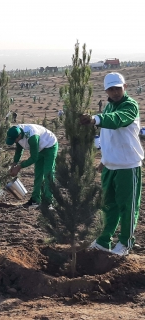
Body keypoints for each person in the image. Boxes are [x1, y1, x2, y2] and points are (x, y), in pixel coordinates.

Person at [80, 72, 144, 256]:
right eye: (111, 89)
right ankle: (103, 240)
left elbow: (117, 121)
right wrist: (104, 160)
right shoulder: (108, 108)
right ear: (106, 90)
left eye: (118, 88)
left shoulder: (130, 106)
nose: (115, 92)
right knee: (108, 206)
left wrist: (95, 119)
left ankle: (125, 243)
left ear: (125, 87)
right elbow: (109, 138)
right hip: (110, 166)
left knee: (127, 206)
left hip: (127, 165)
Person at [6, 124, 58, 209]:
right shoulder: (17, 132)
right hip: (39, 149)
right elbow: (19, 150)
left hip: (50, 145)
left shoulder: (32, 137)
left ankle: (49, 202)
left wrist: (19, 167)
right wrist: (14, 163)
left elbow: (34, 158)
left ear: (19, 136)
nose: (15, 142)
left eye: (15, 140)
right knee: (38, 174)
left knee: (48, 173)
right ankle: (35, 200)